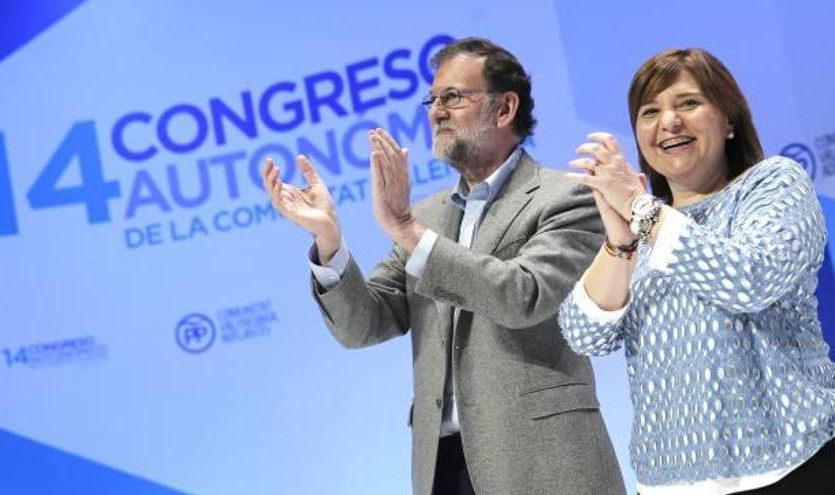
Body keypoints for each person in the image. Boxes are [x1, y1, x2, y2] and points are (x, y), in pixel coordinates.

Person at [263, 37, 625, 495]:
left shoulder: (566, 198)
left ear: (505, 108)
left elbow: (524, 295)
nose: (436, 111)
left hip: (541, 460)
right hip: (442, 467)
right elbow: (365, 324)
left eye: (453, 97)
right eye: (432, 99)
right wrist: (329, 241)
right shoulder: (430, 216)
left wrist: (405, 229)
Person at [559, 47, 835, 494]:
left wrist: (639, 209)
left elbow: (750, 280)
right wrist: (621, 243)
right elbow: (584, 334)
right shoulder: (644, 231)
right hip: (669, 482)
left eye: (688, 103)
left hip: (791, 467)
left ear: (728, 121)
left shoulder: (771, 185)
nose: (669, 121)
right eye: (650, 112)